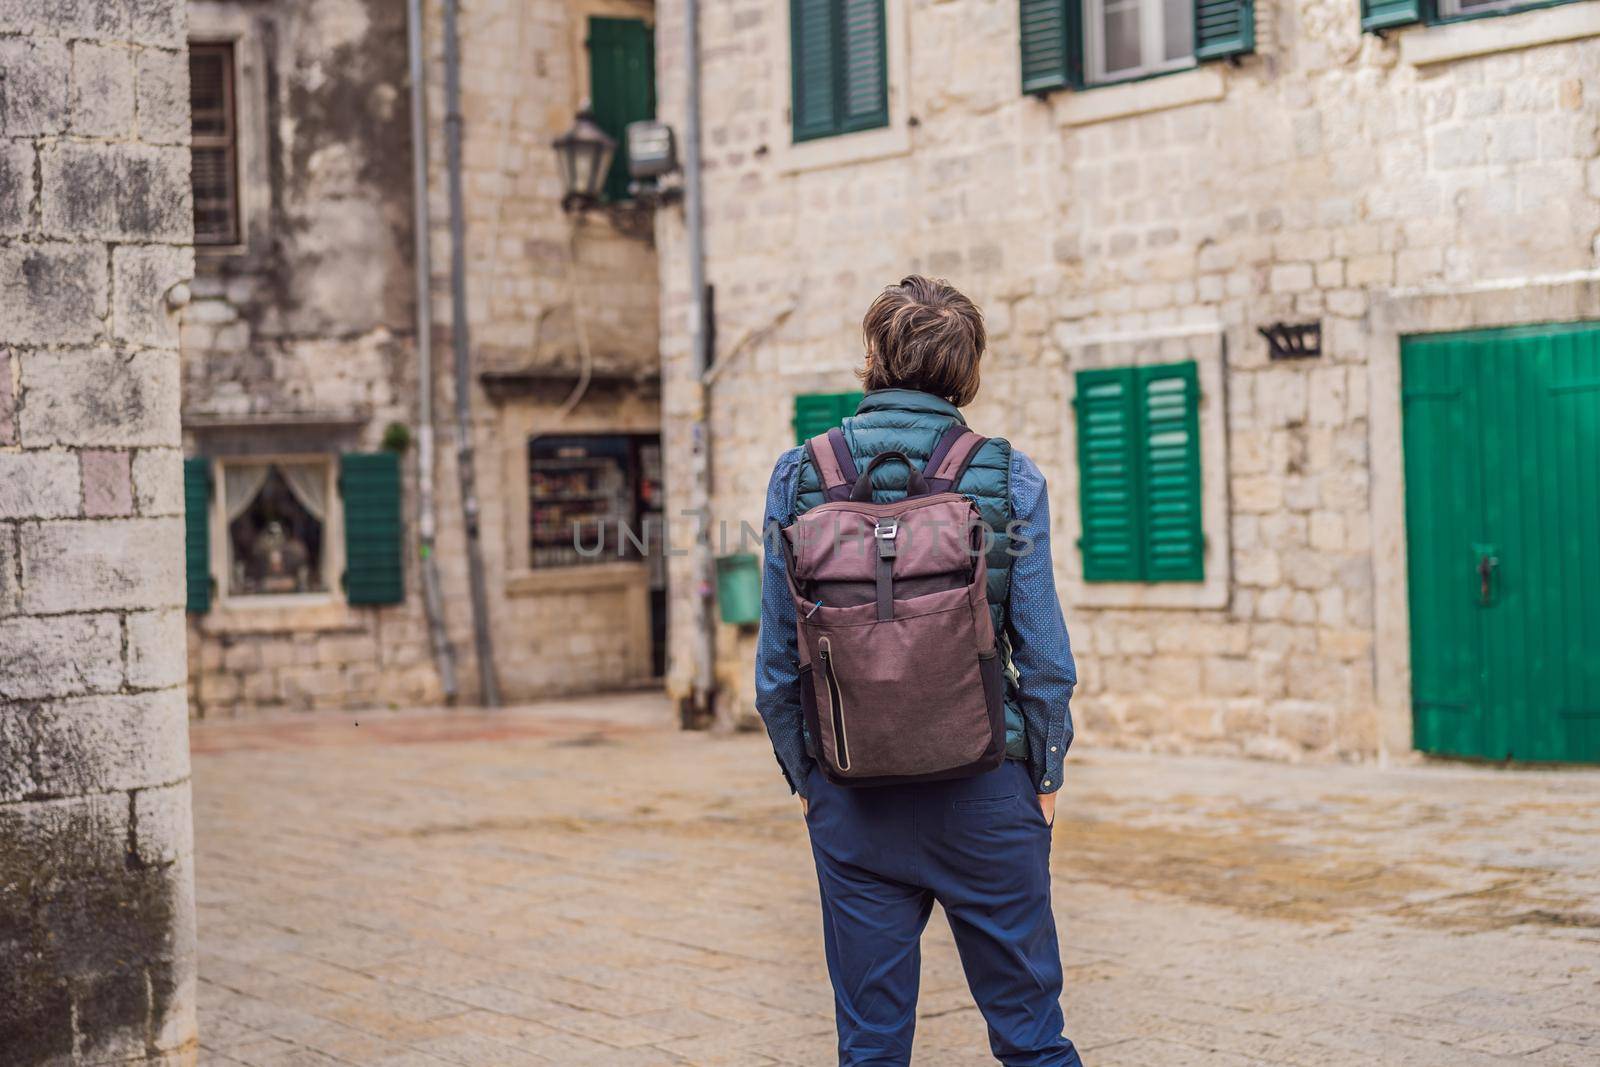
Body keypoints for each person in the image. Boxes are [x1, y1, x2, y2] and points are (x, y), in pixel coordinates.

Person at [755, 276, 1082, 1066]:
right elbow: (1044, 660)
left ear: (872, 357)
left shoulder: (799, 476)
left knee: (871, 1046)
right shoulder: (1009, 478)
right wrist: (1041, 776)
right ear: (966, 371)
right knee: (1034, 1039)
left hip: (853, 795)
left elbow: (775, 668)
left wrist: (812, 783)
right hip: (984, 789)